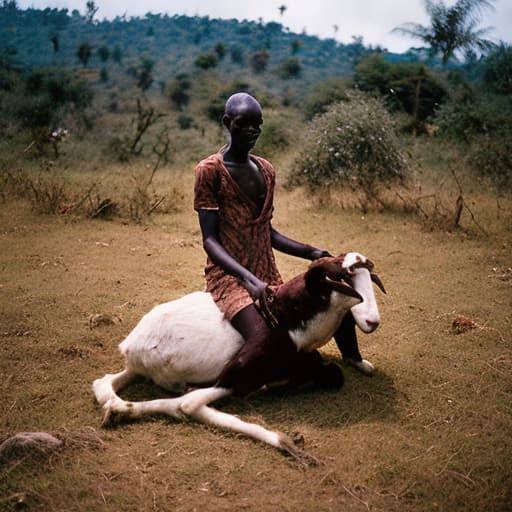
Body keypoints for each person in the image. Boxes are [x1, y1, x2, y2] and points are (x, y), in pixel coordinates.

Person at [194, 92, 361, 394]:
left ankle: (347, 359)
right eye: (244, 124)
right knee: (266, 339)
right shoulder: (210, 171)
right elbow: (209, 240)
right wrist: (247, 279)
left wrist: (308, 251)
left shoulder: (266, 170)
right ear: (227, 123)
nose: (252, 131)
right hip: (230, 278)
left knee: (327, 300)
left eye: (257, 125)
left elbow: (267, 232)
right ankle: (217, 392)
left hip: (268, 274)